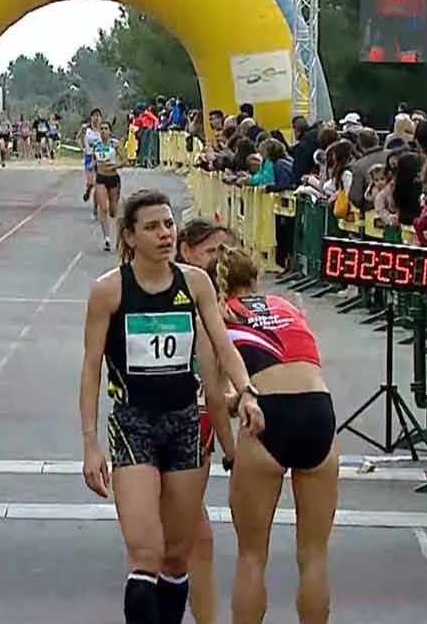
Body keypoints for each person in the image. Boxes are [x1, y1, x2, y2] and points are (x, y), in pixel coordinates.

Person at [79, 189, 263, 624]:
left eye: (168, 224)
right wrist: (90, 444)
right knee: (146, 552)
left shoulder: (195, 283)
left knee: (177, 558)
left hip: (184, 424)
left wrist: (248, 392)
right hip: (133, 423)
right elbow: (90, 369)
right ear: (129, 236)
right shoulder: (108, 291)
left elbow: (224, 346)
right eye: (152, 227)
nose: (164, 234)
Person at [213, 244, 337, 623]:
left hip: (268, 416)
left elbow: (215, 397)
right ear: (257, 279)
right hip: (318, 409)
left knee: (252, 556)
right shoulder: (288, 308)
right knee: (314, 554)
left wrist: (230, 451)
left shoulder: (219, 316)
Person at [172, 220, 237, 624]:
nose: (219, 260)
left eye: (224, 252)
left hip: (202, 423)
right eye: (211, 251)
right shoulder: (186, 299)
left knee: (192, 534)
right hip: (183, 421)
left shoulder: (216, 300)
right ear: (187, 251)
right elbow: (213, 385)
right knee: (189, 535)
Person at [94, 122, 124, 252]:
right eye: (101, 129)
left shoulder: (115, 144)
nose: (103, 131)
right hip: (100, 178)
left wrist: (114, 166)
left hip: (113, 178)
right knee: (103, 208)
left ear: (110, 131)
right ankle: (106, 238)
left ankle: (120, 236)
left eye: (106, 129)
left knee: (113, 210)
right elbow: (91, 159)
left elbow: (125, 160)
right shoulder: (96, 145)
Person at [79, 109, 104, 205]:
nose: (96, 118)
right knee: (91, 183)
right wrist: (83, 148)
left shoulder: (103, 129)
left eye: (98, 116)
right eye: (94, 115)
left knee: (99, 185)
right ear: (91, 117)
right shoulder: (86, 128)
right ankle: (88, 191)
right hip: (89, 157)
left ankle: (96, 207)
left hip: (100, 159)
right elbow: (78, 137)